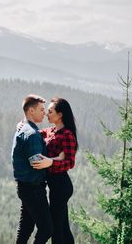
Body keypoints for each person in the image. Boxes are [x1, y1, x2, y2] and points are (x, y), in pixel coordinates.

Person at [32, 97, 78, 244]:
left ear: (60, 115)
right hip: (55, 185)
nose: (47, 114)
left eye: (50, 111)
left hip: (61, 186)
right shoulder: (51, 131)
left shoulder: (67, 135)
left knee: (56, 227)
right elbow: (36, 133)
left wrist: (50, 162)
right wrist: (23, 124)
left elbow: (70, 163)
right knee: (62, 225)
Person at [11, 94, 53, 244]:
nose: (45, 113)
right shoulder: (32, 134)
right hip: (33, 189)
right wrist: (54, 161)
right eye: (41, 109)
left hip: (24, 187)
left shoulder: (23, 129)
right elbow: (36, 162)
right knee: (47, 228)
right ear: (31, 111)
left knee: (26, 228)